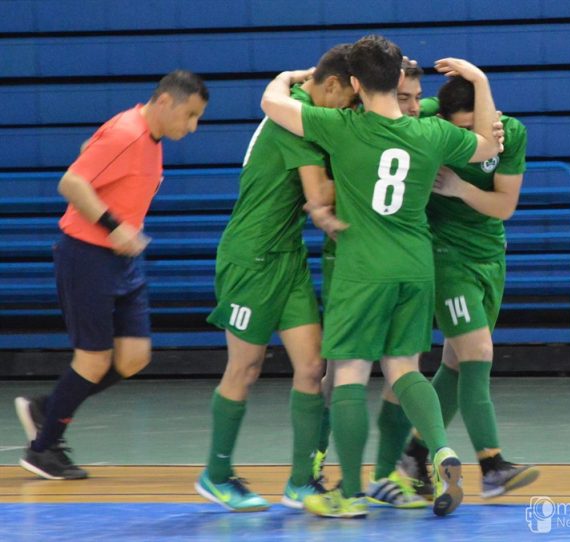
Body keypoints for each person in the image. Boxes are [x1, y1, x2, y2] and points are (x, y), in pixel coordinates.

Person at [261, 34, 502, 518]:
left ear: (354, 83)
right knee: (405, 369)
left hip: (362, 268)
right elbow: (486, 146)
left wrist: (288, 77)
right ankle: (441, 449)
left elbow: (271, 104)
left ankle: (351, 493)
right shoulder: (431, 133)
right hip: (415, 266)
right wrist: (479, 81)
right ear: (397, 80)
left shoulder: (341, 126)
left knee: (350, 374)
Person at [14, 70, 209, 480]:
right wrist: (113, 226)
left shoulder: (147, 137)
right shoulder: (128, 132)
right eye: (189, 115)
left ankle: (48, 408)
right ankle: (42, 449)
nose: (192, 126)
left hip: (121, 262)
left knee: (134, 358)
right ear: (165, 102)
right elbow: (71, 182)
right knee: (94, 359)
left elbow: (90, 154)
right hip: (87, 256)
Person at [194, 44, 357, 513]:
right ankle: (215, 474)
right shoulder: (294, 119)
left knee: (312, 366)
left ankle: (301, 482)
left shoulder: (299, 105)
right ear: (331, 85)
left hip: (287, 257)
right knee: (244, 368)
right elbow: (319, 195)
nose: (348, 112)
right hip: (250, 259)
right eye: (348, 102)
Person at [393, 68, 539, 499]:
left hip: (490, 258)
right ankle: (492, 465)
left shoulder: (510, 133)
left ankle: (414, 455)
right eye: (461, 131)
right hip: (445, 257)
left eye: (477, 128)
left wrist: (458, 187)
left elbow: (504, 206)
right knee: (478, 353)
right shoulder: (429, 118)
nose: (472, 141)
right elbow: (394, 108)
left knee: (458, 365)